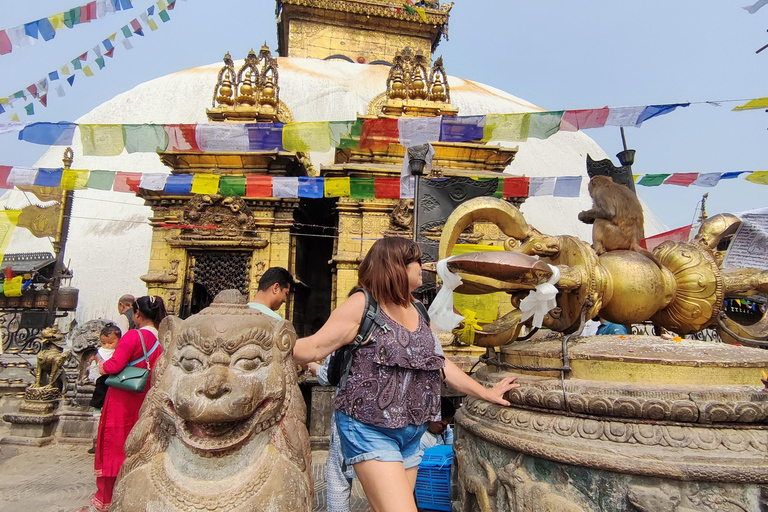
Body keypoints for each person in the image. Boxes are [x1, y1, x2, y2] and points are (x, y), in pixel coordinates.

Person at [294, 237, 520, 512]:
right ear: (397, 266)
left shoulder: (419, 310)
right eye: (417, 260)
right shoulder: (362, 304)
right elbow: (314, 346)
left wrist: (486, 392)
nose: (423, 267)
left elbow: (440, 364)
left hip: (412, 433)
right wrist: (268, 342)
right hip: (369, 428)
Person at [82, 295, 167, 512]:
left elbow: (114, 366)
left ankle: (105, 500)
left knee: (114, 445)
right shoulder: (163, 339)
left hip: (122, 399)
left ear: (137, 313)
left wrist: (100, 362)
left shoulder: (133, 336)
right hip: (147, 399)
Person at [309, 357, 355, 512]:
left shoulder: (347, 335)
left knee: (339, 480)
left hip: (350, 422)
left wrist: (313, 366)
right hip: (391, 425)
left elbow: (328, 375)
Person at [86, 323, 122, 454]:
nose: (106, 346)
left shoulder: (120, 352)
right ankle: (97, 444)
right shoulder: (99, 353)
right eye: (104, 343)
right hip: (102, 387)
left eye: (110, 343)